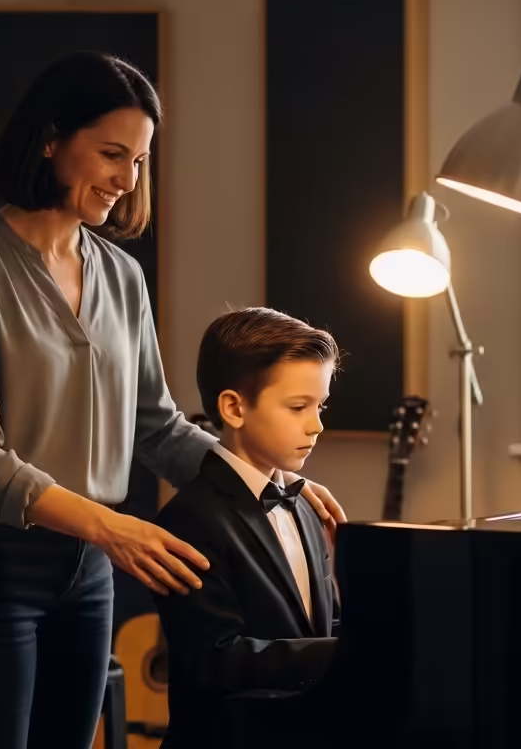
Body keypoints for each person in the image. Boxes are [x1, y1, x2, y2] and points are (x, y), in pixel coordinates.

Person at [0, 51, 346, 749]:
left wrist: (268, 481)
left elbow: (157, 426)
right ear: (50, 140)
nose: (127, 179)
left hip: (85, 574)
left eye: (140, 160)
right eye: (112, 154)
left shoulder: (121, 276)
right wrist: (110, 528)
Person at [152, 307, 343, 749]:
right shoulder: (189, 519)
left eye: (320, 406)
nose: (316, 425)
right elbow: (214, 657)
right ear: (234, 407)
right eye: (298, 407)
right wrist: (345, 653)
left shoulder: (306, 506)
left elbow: (323, 622)